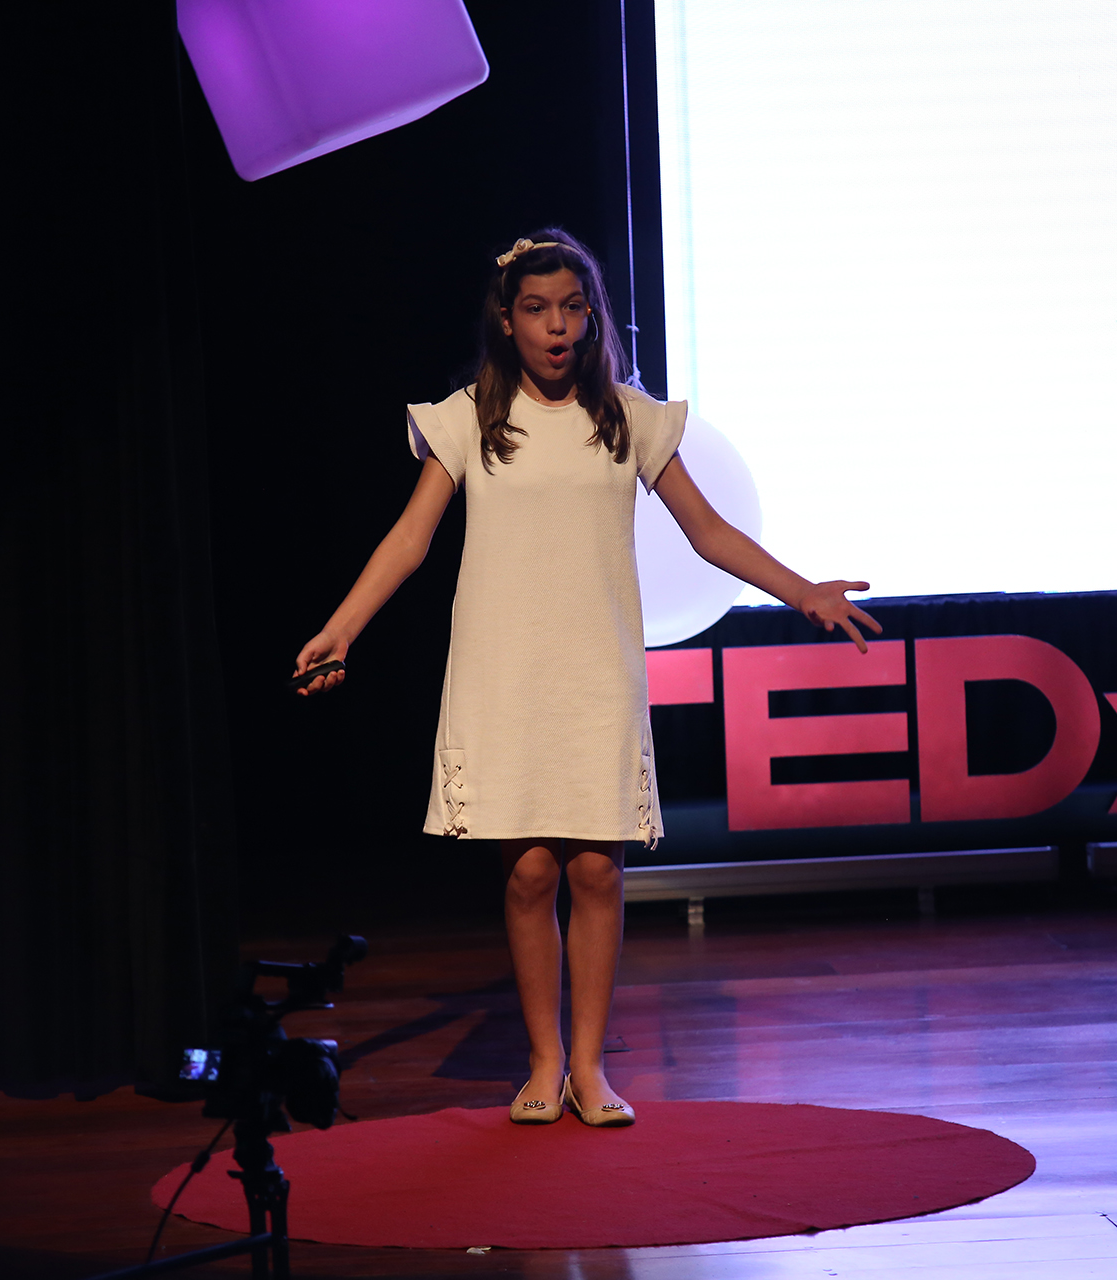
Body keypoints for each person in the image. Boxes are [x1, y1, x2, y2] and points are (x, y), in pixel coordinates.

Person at [293, 230, 878, 1127]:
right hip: (503, 673)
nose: (557, 326)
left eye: (572, 307)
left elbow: (709, 532)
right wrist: (342, 628)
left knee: (598, 873)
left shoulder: (628, 419)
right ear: (507, 319)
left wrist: (801, 592)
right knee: (530, 874)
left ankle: (591, 1069)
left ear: (592, 315)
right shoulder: (468, 418)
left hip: (595, 673)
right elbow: (410, 540)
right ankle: (544, 1060)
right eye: (537, 309)